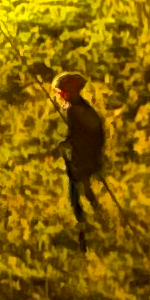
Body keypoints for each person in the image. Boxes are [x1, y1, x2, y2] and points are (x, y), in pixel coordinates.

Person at [53, 71, 110, 237]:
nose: (60, 97)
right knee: (84, 187)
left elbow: (77, 134)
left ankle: (84, 221)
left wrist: (65, 145)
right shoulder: (83, 107)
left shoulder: (74, 111)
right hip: (88, 154)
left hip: (83, 156)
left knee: (77, 189)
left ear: (68, 93)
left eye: (61, 93)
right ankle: (98, 218)